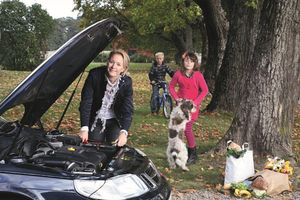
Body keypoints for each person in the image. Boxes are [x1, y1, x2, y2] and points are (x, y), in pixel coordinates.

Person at [78, 49, 133, 147]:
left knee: (115, 149)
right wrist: (84, 128)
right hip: (96, 118)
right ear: (107, 62)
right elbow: (86, 102)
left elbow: (128, 109)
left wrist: (124, 132)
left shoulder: (127, 82)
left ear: (124, 69)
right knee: (93, 149)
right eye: (111, 62)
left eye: (118, 64)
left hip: (116, 119)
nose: (113, 67)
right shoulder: (94, 75)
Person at [169, 51, 208, 165]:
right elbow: (171, 87)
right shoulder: (178, 74)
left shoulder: (198, 75)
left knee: (187, 129)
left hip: (192, 108)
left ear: (195, 63)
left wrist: (195, 102)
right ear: (183, 62)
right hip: (181, 107)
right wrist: (176, 98)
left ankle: (193, 153)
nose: (189, 63)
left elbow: (205, 90)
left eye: (191, 61)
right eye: (186, 60)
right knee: (178, 129)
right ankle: (178, 151)